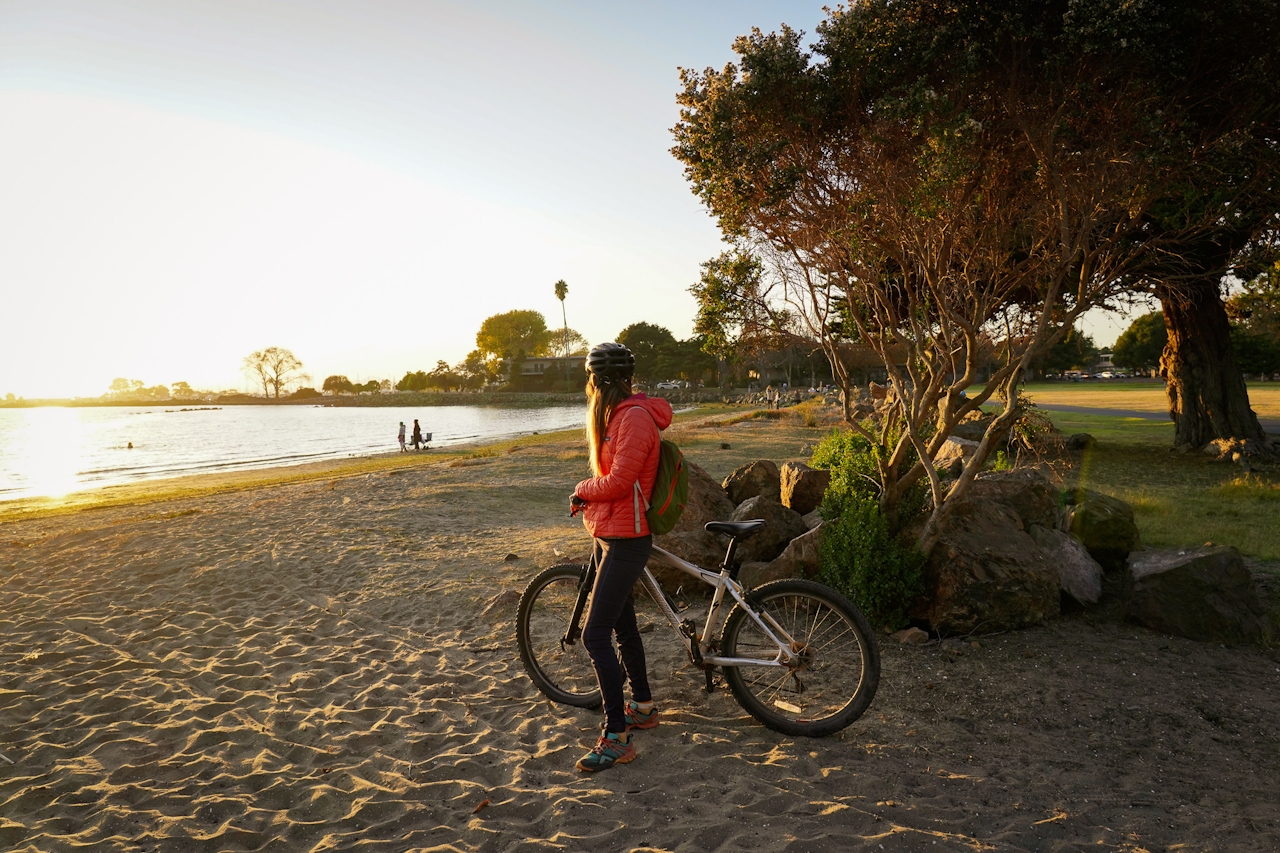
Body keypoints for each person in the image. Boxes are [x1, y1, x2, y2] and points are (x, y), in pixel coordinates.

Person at [570, 342, 673, 772]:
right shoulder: (620, 416)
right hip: (612, 532)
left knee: (595, 635)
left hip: (627, 539)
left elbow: (618, 480)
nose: (589, 387)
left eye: (591, 380)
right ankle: (643, 708)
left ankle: (617, 736)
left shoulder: (632, 418)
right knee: (624, 628)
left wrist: (581, 489)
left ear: (600, 381)